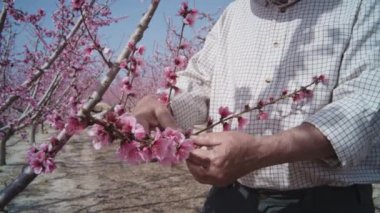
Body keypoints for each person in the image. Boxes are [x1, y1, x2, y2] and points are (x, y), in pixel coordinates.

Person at [133, 0, 379, 212]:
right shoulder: (235, 13)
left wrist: (261, 151)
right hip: (230, 197)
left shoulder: (361, 6)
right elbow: (200, 82)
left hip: (325, 202)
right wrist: (165, 111)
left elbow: (362, 105)